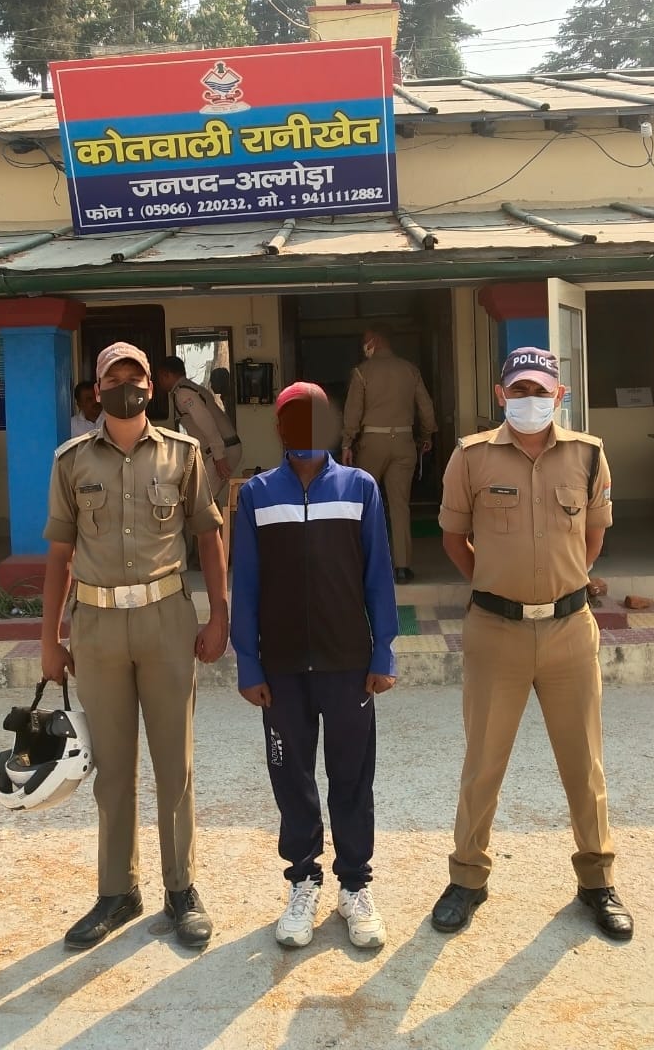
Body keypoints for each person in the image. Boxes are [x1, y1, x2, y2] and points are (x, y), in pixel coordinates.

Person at [431, 346, 633, 941]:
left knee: (585, 764)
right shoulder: (471, 457)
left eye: (540, 390)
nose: (529, 400)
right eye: (518, 390)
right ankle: (468, 877)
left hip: (570, 631)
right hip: (496, 632)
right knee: (483, 764)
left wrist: (562, 586)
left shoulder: (588, 455)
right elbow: (453, 538)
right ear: (501, 395)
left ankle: (597, 880)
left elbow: (593, 536)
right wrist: (497, 584)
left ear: (559, 395)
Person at [40, 341, 229, 952]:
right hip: (96, 628)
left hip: (165, 620)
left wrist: (219, 614)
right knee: (113, 767)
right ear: (96, 390)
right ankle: (117, 891)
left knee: (175, 763)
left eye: (136, 376)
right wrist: (49, 639)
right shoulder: (71, 461)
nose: (126, 386)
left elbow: (209, 538)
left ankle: (181, 889)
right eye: (113, 377)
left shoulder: (183, 454)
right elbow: (60, 555)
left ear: (152, 385)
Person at [231, 382, 399, 951]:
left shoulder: (360, 487)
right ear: (279, 428)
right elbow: (245, 583)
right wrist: (248, 661)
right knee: (292, 777)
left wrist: (383, 650)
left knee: (351, 777)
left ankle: (355, 885)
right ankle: (303, 879)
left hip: (348, 663)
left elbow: (378, 575)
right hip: (280, 669)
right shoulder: (257, 495)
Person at [341, 325, 437, 584]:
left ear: (375, 341)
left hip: (372, 443)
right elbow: (426, 408)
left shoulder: (362, 372)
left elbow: (353, 411)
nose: (364, 346)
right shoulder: (410, 370)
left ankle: (363, 564)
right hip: (404, 442)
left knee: (364, 503)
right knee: (400, 505)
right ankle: (402, 567)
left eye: (365, 341)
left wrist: (347, 443)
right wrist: (426, 436)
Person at [158, 356, 243, 503]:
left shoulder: (184, 393)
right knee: (203, 499)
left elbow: (205, 422)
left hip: (223, 449)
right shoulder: (190, 388)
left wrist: (219, 455)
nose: (160, 382)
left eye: (160, 378)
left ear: (167, 375)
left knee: (200, 501)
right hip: (220, 449)